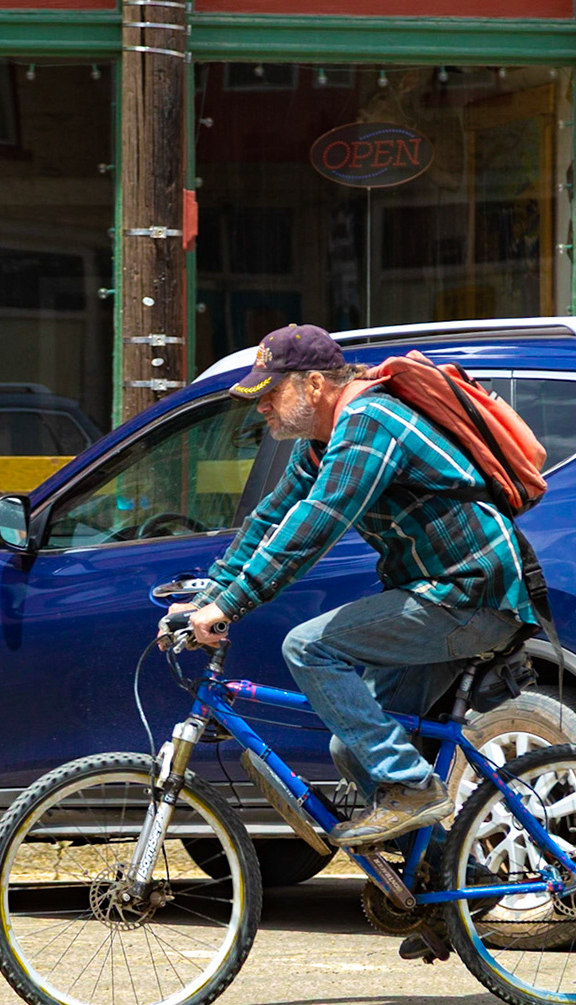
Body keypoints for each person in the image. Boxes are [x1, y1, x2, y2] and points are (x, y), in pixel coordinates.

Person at [171, 324, 537, 848]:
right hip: (432, 595)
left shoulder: (371, 421)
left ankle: (411, 787)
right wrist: (209, 598)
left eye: (271, 393)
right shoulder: (320, 445)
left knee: (308, 645)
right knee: (351, 749)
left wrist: (233, 603)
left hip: (471, 594)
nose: (261, 408)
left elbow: (317, 523)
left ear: (314, 385)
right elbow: (269, 521)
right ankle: (441, 892)